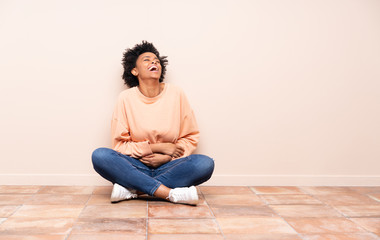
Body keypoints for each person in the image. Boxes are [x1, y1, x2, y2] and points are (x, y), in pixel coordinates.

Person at [91, 41, 214, 205]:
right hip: (137, 165)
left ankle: (134, 191)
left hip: (169, 165)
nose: (154, 62)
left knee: (204, 164)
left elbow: (190, 137)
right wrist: (158, 147)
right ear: (134, 70)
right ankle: (169, 193)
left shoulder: (176, 94)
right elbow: (120, 146)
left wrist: (165, 158)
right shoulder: (125, 98)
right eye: (147, 60)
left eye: (156, 60)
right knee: (100, 156)